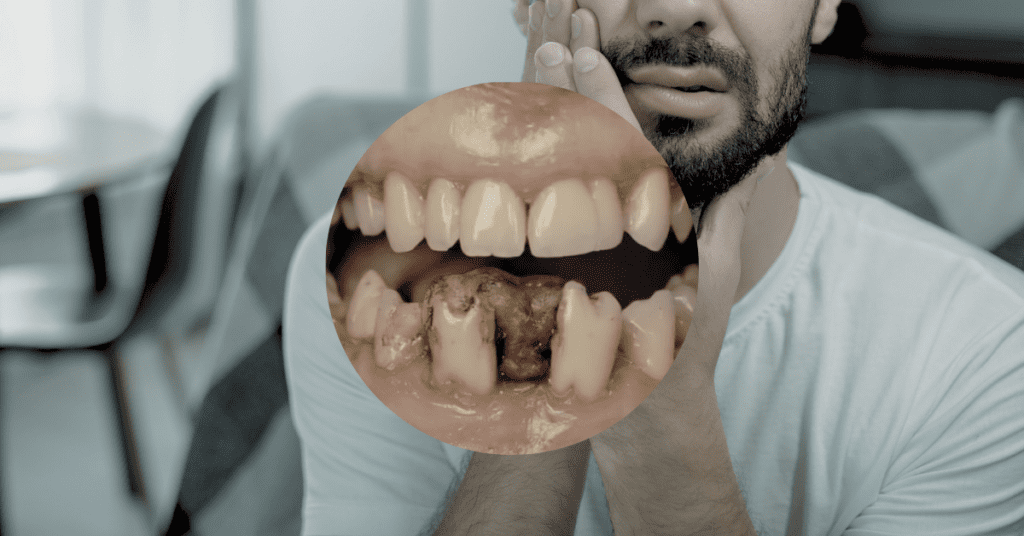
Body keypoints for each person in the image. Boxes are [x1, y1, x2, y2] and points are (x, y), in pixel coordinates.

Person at [282, 0, 1024, 534]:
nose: (676, 9)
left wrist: (658, 395)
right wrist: (542, 372)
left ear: (825, 6)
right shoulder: (371, 285)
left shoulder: (989, 352)